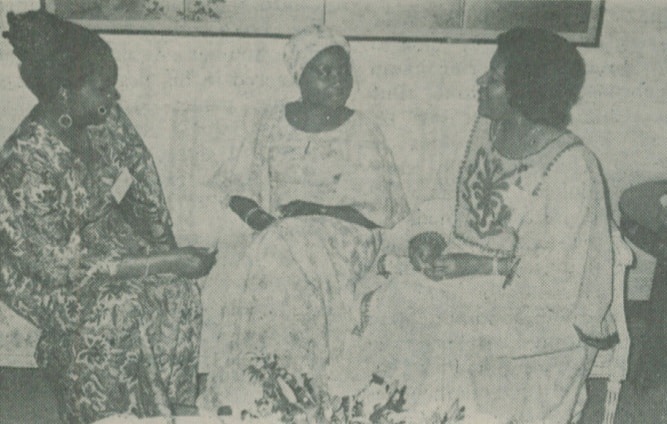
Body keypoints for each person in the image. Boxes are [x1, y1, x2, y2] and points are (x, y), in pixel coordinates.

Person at [335, 27, 616, 423]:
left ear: (526, 91)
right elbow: (443, 202)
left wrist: (477, 266)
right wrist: (427, 236)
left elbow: (559, 277)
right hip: (463, 275)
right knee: (395, 302)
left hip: (529, 307)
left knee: (444, 332)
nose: (480, 82)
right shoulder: (483, 131)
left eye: (495, 78)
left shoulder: (571, 166)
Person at [0, 10, 216, 423]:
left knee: (180, 291)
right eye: (103, 90)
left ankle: (163, 412)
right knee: (118, 306)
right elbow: (61, 266)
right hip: (45, 277)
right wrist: (164, 261)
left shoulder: (101, 118)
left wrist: (167, 246)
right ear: (64, 93)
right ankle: (105, 412)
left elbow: (139, 174)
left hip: (104, 243)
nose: (112, 98)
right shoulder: (24, 162)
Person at [198, 24, 409, 413]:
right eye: (323, 71)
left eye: (343, 71)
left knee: (283, 250)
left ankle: (303, 386)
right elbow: (236, 187)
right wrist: (258, 217)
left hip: (347, 236)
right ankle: (267, 388)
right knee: (277, 254)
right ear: (299, 76)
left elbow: (378, 213)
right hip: (281, 235)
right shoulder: (271, 122)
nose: (337, 81)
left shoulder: (363, 130)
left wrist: (316, 210)